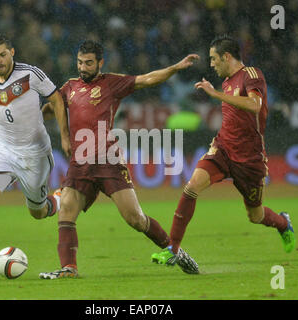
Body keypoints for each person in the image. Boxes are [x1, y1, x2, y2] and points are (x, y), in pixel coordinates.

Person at [38, 40, 200, 279]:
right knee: (67, 211)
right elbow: (53, 107)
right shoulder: (69, 87)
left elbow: (147, 79)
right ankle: (69, 268)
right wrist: (40, 122)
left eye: (89, 63)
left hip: (108, 160)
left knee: (134, 218)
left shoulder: (111, 83)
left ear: (100, 63)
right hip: (80, 162)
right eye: (80, 62)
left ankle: (175, 250)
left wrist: (174, 68)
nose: (83, 67)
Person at [151, 35, 296, 270]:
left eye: (213, 59)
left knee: (255, 216)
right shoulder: (228, 82)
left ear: (226, 56)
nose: (211, 64)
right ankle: (173, 250)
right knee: (191, 187)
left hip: (249, 159)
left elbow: (254, 105)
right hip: (223, 149)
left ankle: (282, 223)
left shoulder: (251, 75)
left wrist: (215, 94)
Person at [0, 33, 71, 272]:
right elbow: (5, 106)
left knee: (38, 212)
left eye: (2, 54)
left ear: (12, 52)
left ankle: (60, 198)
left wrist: (64, 136)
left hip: (34, 153)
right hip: (3, 148)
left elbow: (57, 100)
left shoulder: (31, 74)